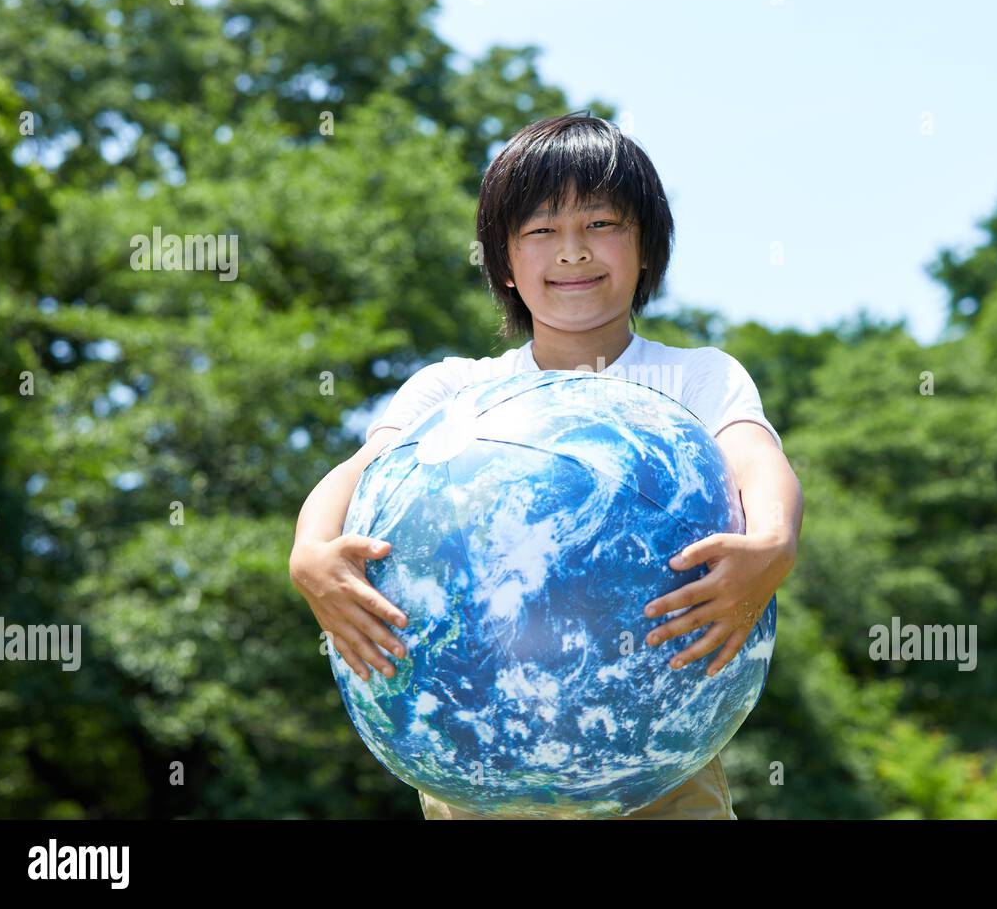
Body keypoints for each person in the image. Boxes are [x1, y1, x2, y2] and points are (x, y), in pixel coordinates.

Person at [289, 112, 803, 820]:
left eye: (601, 225)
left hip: (657, 761)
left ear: (647, 247)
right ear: (501, 261)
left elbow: (758, 460)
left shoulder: (697, 381)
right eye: (540, 231)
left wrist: (774, 542)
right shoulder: (452, 392)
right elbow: (357, 473)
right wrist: (309, 556)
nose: (572, 253)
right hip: (470, 760)